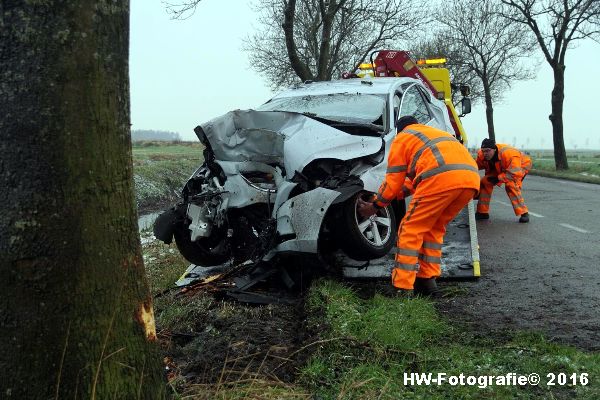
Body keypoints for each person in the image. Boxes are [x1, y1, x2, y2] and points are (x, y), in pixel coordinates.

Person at [358, 116, 480, 297]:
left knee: (410, 229)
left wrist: (375, 206)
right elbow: (409, 184)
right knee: (434, 229)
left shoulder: (402, 138)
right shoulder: (435, 134)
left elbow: (393, 182)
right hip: (470, 181)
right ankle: (428, 282)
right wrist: (390, 196)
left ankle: (402, 287)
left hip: (440, 180)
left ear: (399, 130)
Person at [475, 138, 532, 223]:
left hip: (520, 166)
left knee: (511, 185)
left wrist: (498, 178)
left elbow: (514, 173)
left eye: (487, 151)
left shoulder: (509, 154)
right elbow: (475, 165)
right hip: (502, 168)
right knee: (486, 181)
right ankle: (482, 212)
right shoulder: (482, 155)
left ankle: (524, 213)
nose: (485, 153)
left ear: (494, 149)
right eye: (483, 151)